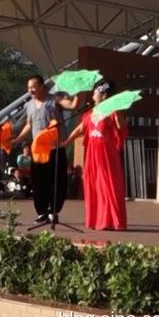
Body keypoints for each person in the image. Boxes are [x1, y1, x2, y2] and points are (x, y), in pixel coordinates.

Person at [13, 75, 79, 223]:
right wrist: (17, 139)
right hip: (38, 150)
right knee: (38, 182)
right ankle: (41, 212)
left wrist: (77, 91)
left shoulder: (54, 99)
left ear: (42, 86)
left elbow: (73, 105)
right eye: (29, 87)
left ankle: (53, 211)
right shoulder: (29, 105)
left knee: (56, 181)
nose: (30, 90)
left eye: (33, 86)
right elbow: (29, 124)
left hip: (55, 148)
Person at [63, 80, 128, 230]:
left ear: (103, 95)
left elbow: (121, 127)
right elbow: (80, 129)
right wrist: (66, 142)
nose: (92, 95)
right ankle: (98, 220)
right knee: (93, 184)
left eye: (95, 92)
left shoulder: (112, 111)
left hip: (106, 155)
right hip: (92, 154)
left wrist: (117, 110)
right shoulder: (91, 113)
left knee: (107, 185)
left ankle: (111, 221)